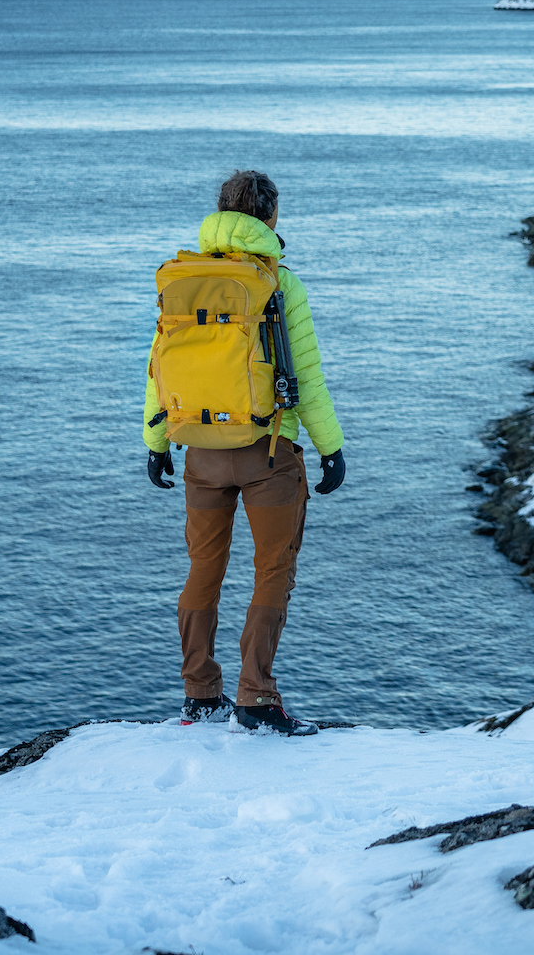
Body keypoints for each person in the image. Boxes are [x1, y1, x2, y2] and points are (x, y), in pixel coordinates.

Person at [143, 169, 346, 736]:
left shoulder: (183, 276)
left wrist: (156, 442)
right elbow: (305, 374)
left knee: (203, 570)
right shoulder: (279, 283)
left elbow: (157, 369)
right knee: (272, 571)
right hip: (268, 453)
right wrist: (331, 448)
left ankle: (199, 694)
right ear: (271, 217)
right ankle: (256, 696)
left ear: (220, 211)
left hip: (199, 452)